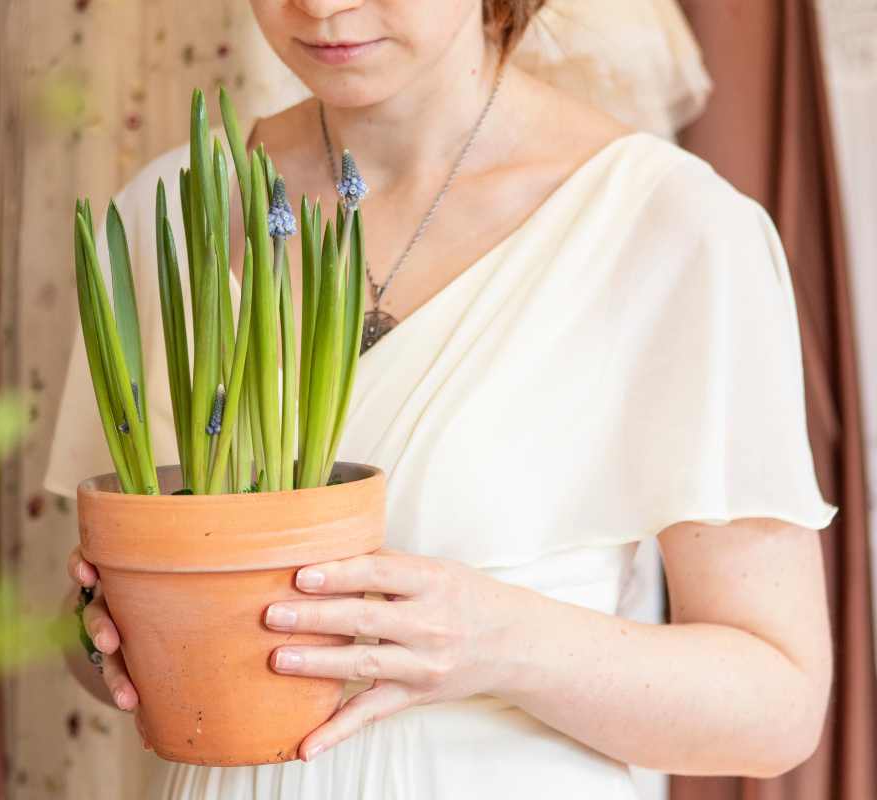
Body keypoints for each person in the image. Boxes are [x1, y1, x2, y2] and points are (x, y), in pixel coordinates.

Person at [44, 1, 839, 797]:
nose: (320, 5)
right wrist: (110, 637)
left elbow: (778, 709)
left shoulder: (670, 228)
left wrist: (499, 641)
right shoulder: (166, 215)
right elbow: (87, 646)